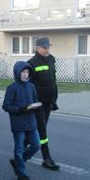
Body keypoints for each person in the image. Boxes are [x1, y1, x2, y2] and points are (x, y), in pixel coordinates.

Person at [2, 61, 41, 180]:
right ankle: (22, 175)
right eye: (23, 72)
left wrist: (36, 107)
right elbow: (6, 106)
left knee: (36, 145)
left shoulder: (31, 86)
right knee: (19, 148)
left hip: (31, 122)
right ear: (17, 73)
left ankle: (18, 162)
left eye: (27, 72)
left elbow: (35, 101)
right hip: (18, 123)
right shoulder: (12, 88)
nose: (25, 74)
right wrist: (20, 109)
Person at [27, 37, 60, 171]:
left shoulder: (51, 59)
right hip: (38, 103)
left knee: (38, 128)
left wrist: (54, 100)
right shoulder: (31, 63)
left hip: (49, 101)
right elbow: (28, 85)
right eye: (44, 47)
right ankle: (46, 158)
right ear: (37, 48)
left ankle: (21, 150)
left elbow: (52, 80)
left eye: (48, 47)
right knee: (42, 130)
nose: (47, 49)